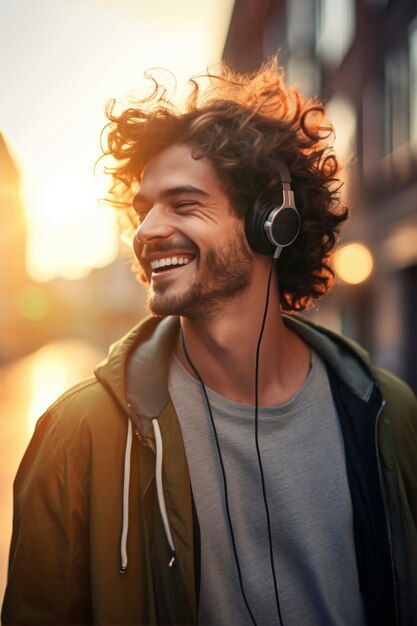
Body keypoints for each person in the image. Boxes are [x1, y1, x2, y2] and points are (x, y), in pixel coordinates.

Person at [2, 60, 417, 626]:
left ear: (272, 221)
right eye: (143, 209)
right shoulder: (77, 436)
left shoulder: (389, 414)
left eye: (183, 203)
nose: (146, 230)